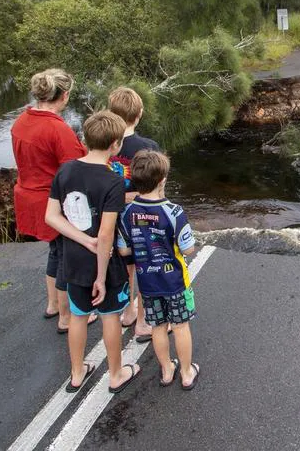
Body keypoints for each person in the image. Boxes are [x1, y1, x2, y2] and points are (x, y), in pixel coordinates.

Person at [45, 111, 141, 393]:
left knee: (78, 315)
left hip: (72, 260)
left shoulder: (65, 170)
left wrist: (80, 239)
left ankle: (76, 373)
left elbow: (51, 216)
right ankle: (115, 374)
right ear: (115, 144)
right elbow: (106, 234)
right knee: (110, 316)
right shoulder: (111, 181)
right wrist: (100, 275)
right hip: (104, 264)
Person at [11, 68, 96, 333]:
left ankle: (52, 305)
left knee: (55, 252)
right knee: (66, 258)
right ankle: (66, 317)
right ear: (64, 95)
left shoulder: (20, 121)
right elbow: (74, 172)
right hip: (54, 203)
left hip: (29, 196)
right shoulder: (57, 130)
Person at [117, 150, 200, 390]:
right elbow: (188, 249)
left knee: (158, 327)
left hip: (148, 284)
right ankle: (186, 372)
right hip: (175, 281)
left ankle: (166, 370)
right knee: (181, 325)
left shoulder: (127, 214)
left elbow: (124, 251)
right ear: (162, 179)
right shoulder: (174, 212)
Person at [106, 87, 160, 339]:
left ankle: (127, 311)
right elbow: (157, 187)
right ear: (139, 114)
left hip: (114, 219)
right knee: (144, 265)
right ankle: (142, 321)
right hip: (141, 218)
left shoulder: (104, 145)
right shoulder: (148, 146)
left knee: (125, 264)